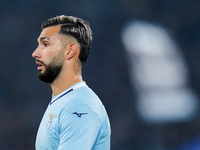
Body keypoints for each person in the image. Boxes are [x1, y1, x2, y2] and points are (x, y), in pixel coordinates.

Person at [32, 15, 111, 150]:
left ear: (70, 51)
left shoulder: (80, 106)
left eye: (45, 44)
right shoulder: (64, 101)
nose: (35, 53)